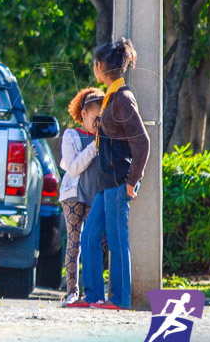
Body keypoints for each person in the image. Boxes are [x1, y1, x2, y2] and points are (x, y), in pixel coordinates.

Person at [80, 38, 150, 310]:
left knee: (117, 241)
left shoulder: (122, 98)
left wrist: (133, 181)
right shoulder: (110, 96)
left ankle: (119, 300)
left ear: (100, 66)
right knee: (90, 236)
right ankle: (93, 296)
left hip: (119, 180)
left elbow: (142, 142)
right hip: (105, 180)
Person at [59, 87, 104, 307]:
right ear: (83, 114)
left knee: (95, 243)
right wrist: (95, 146)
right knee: (74, 242)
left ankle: (93, 292)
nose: (98, 124)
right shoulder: (71, 136)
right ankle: (71, 292)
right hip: (74, 196)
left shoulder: (106, 137)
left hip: (96, 196)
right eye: (96, 118)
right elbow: (74, 168)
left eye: (102, 119)